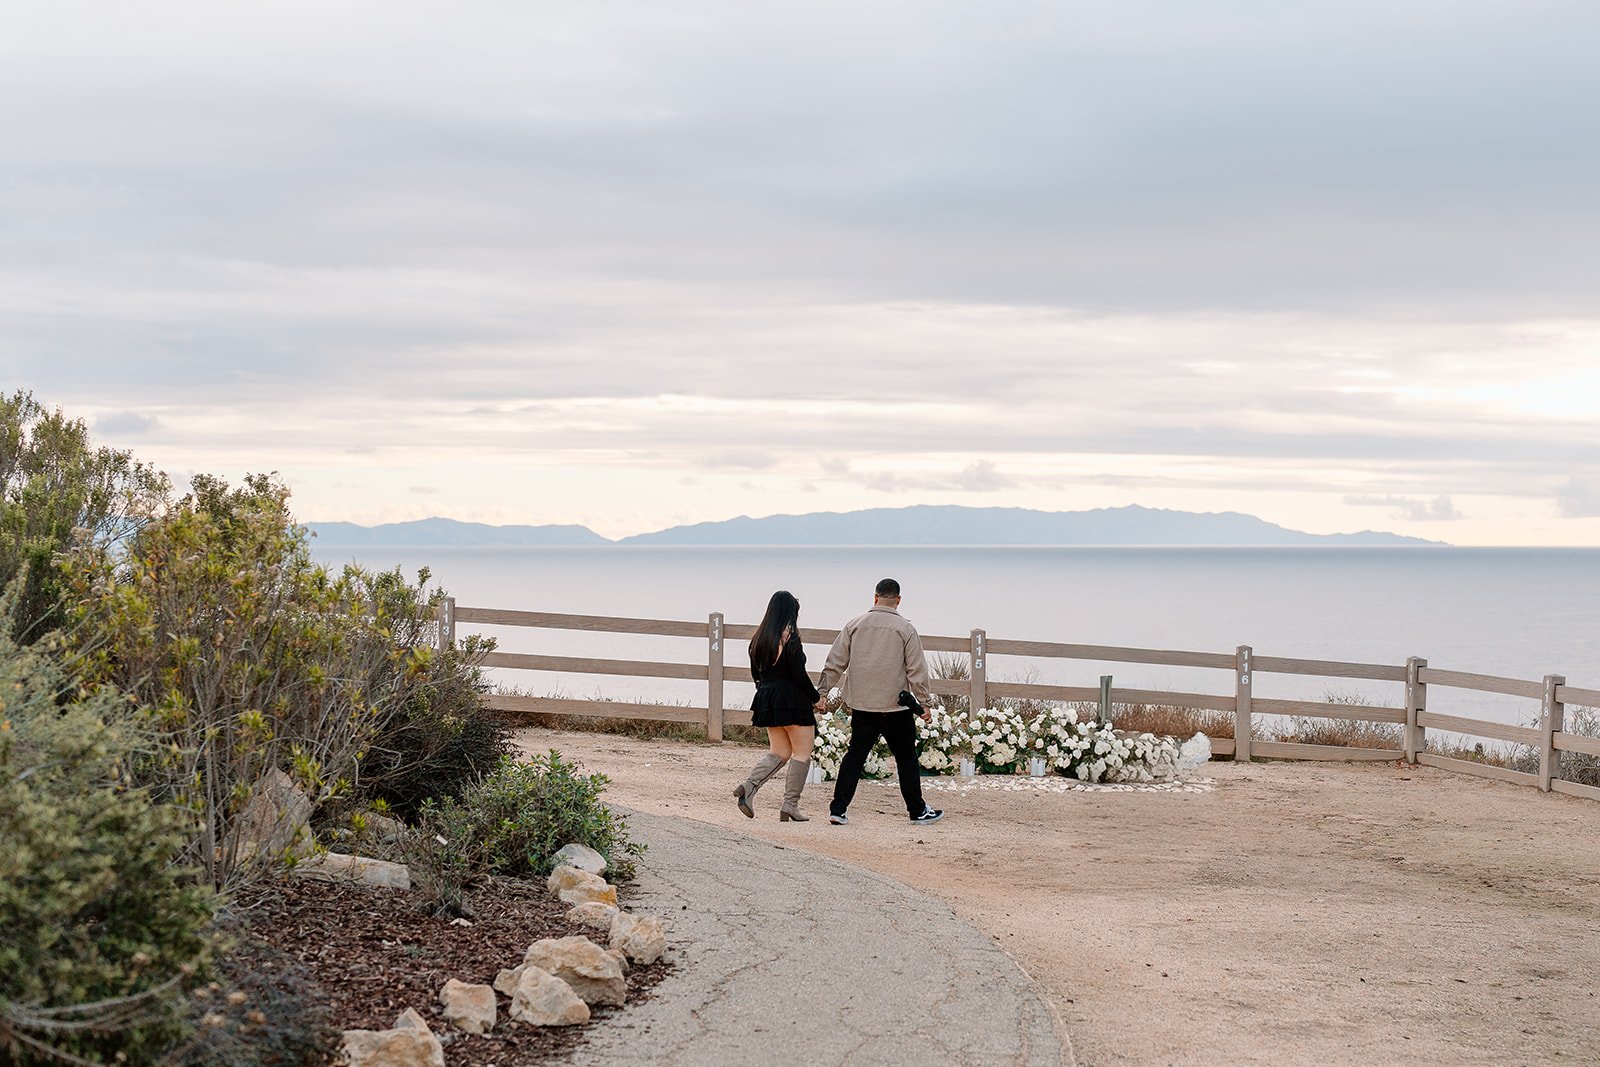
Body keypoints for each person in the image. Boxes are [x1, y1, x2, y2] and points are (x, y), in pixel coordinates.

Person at [818, 578, 944, 825]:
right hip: (895, 706)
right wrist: (925, 703)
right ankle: (917, 811)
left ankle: (838, 809)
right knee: (906, 758)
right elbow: (916, 670)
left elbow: (835, 662)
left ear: (874, 598)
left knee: (855, 755)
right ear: (898, 600)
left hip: (863, 706)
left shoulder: (854, 625)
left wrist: (822, 692)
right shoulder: (905, 629)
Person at [733, 590, 821, 822]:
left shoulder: (758, 639)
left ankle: (749, 786)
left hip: (768, 699)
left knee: (779, 752)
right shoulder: (789, 638)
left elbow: (756, 675)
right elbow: (799, 675)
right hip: (793, 700)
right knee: (802, 753)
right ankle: (790, 805)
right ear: (791, 612)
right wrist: (816, 698)